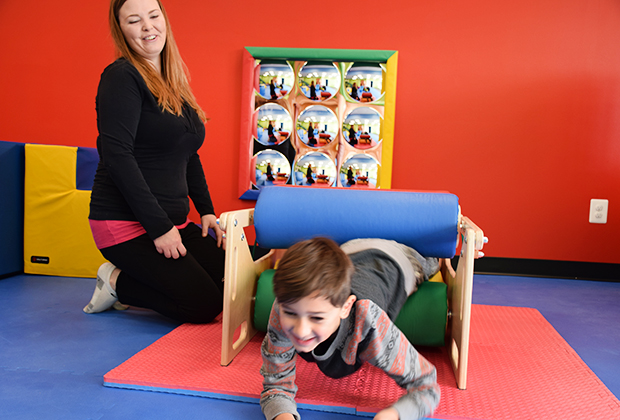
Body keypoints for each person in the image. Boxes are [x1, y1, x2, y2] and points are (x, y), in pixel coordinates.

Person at [83, 0, 225, 324]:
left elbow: (188, 153)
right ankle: (116, 281)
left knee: (230, 279)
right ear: (121, 30)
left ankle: (133, 275)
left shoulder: (174, 83)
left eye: (153, 15)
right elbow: (117, 156)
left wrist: (206, 211)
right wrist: (159, 228)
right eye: (134, 20)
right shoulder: (121, 77)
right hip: (126, 223)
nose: (147, 26)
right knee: (204, 305)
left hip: (173, 221)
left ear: (164, 20)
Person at [260, 237, 441, 420]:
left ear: (345, 307)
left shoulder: (368, 324)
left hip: (403, 256)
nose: (301, 330)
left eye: (317, 318)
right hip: (352, 248)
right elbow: (275, 387)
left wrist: (392, 415)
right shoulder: (285, 306)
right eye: (290, 313)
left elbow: (427, 386)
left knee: (431, 262)